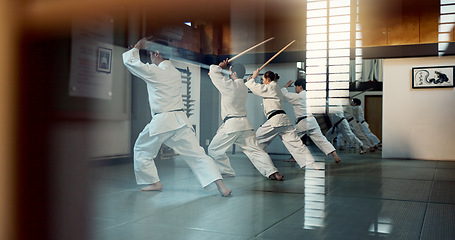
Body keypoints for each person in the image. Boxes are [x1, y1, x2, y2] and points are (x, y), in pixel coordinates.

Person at [122, 37, 231, 196]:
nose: (151, 59)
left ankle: (154, 182)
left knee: (142, 149)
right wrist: (137, 50)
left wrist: (136, 48)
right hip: (180, 121)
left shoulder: (156, 72)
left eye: (152, 55)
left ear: (157, 54)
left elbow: (131, 63)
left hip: (163, 121)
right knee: (198, 155)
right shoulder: (174, 72)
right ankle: (222, 187)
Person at [207, 59, 283, 180]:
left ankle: (226, 171)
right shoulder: (243, 86)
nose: (229, 74)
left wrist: (220, 66)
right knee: (256, 151)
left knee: (213, 149)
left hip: (232, 125)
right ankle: (273, 172)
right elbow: (214, 75)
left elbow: (214, 71)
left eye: (231, 72)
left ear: (235, 74)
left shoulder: (229, 85)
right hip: (245, 125)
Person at [245, 69, 315, 169]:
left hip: (275, 120)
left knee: (257, 140)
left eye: (263, 79)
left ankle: (265, 164)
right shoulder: (275, 86)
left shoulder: (271, 87)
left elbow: (257, 88)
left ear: (268, 79)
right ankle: (310, 163)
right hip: (284, 120)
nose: (263, 82)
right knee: (294, 143)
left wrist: (253, 78)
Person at [281, 79, 341, 163]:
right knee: (321, 139)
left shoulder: (299, 96)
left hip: (303, 122)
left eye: (296, 87)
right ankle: (335, 154)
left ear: (300, 87)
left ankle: (295, 157)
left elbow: (284, 95)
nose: (295, 89)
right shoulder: (309, 96)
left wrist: (285, 86)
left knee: (290, 137)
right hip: (312, 121)